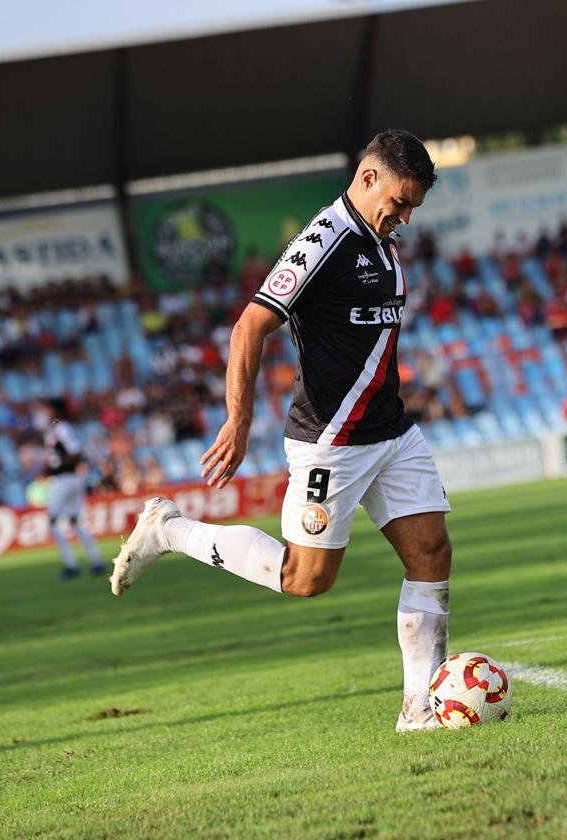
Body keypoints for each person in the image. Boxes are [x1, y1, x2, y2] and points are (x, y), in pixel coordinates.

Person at [109, 130, 452, 733]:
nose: (404, 215)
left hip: (391, 432)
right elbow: (248, 327)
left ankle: (420, 708)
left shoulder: (382, 240)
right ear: (367, 177)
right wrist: (238, 420)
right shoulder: (322, 240)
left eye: (413, 208)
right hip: (332, 441)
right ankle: (170, 530)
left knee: (431, 553)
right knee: (305, 579)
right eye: (399, 201)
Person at [42, 399, 106, 580]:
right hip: (69, 479)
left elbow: (75, 452)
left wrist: (58, 465)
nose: (45, 413)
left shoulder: (61, 428)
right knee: (75, 522)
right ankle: (97, 562)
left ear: (54, 410)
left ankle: (71, 565)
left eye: (47, 409)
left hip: (65, 479)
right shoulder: (55, 429)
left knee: (53, 522)